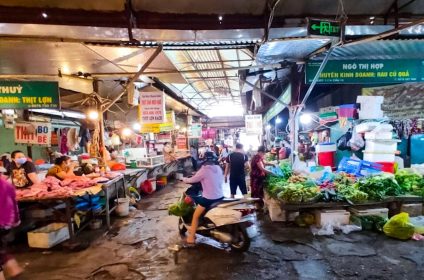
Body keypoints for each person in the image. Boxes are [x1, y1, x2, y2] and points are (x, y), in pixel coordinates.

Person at [182, 152, 224, 245]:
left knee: (195, 216)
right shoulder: (218, 168)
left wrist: (184, 179)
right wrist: (197, 174)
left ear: (204, 160)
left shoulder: (204, 169)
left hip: (209, 199)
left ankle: (191, 238)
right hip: (220, 196)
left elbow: (192, 180)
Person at [0, 177, 23, 280]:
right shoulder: (6, 183)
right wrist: (16, 220)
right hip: (6, 223)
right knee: (1, 247)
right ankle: (14, 269)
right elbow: (14, 203)